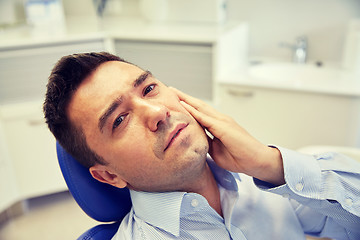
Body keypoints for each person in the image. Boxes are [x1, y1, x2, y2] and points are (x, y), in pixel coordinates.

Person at [43, 52, 360, 240]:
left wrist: (269, 164)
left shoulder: (265, 181)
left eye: (150, 88)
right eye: (119, 120)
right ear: (110, 176)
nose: (157, 112)